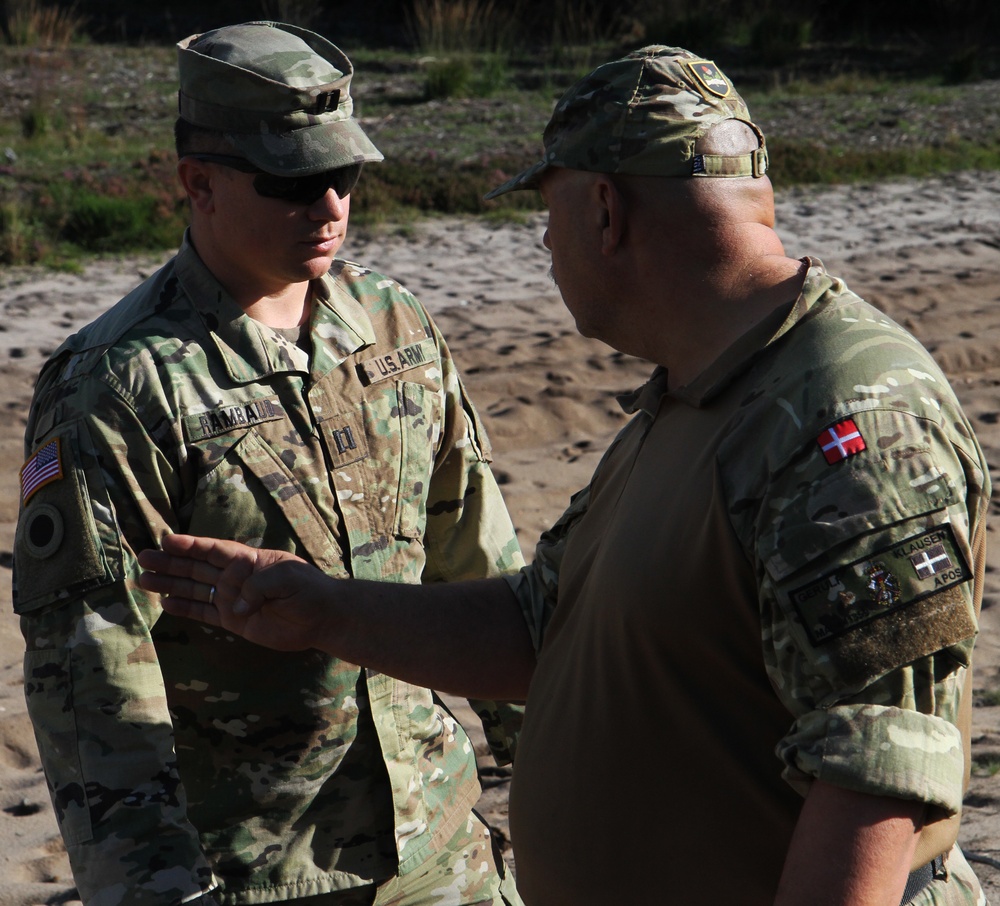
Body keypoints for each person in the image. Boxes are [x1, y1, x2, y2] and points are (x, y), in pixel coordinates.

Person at [137, 46, 989, 905]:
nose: (546, 241)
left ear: (606, 212)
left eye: (549, 209)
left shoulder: (846, 420)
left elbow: (875, 779)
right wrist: (328, 609)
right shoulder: (699, 394)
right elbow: (542, 625)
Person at [13, 20, 526, 906]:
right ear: (197, 183)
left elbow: (474, 551)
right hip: (257, 871)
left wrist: (543, 752)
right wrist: (155, 889)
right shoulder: (117, 384)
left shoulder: (395, 327)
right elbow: (92, 673)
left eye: (344, 177)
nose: (328, 206)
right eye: (291, 182)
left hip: (440, 840)